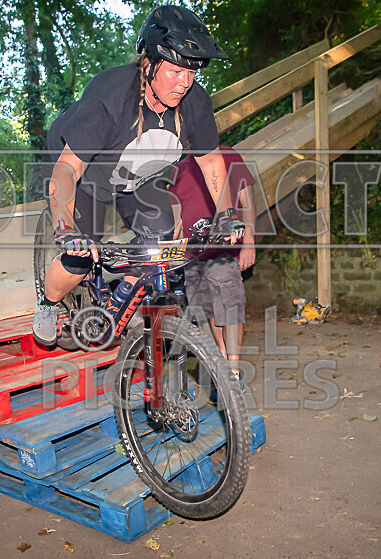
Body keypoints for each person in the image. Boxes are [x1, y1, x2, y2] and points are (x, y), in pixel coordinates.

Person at [33, 5, 245, 346]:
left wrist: (227, 214)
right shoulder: (111, 98)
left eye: (192, 73)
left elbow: (211, 162)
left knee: (161, 244)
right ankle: (48, 303)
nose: (184, 84)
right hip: (83, 172)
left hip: (137, 177)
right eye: (176, 72)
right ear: (149, 64)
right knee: (78, 257)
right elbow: (67, 169)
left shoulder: (196, 103)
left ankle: (119, 302)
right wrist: (66, 228)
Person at [168, 146, 255, 380]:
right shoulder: (178, 170)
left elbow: (246, 201)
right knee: (209, 311)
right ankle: (223, 363)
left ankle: (233, 370)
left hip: (223, 250)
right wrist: (170, 252)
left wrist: (249, 241)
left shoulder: (227, 156)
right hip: (192, 255)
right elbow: (177, 221)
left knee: (230, 308)